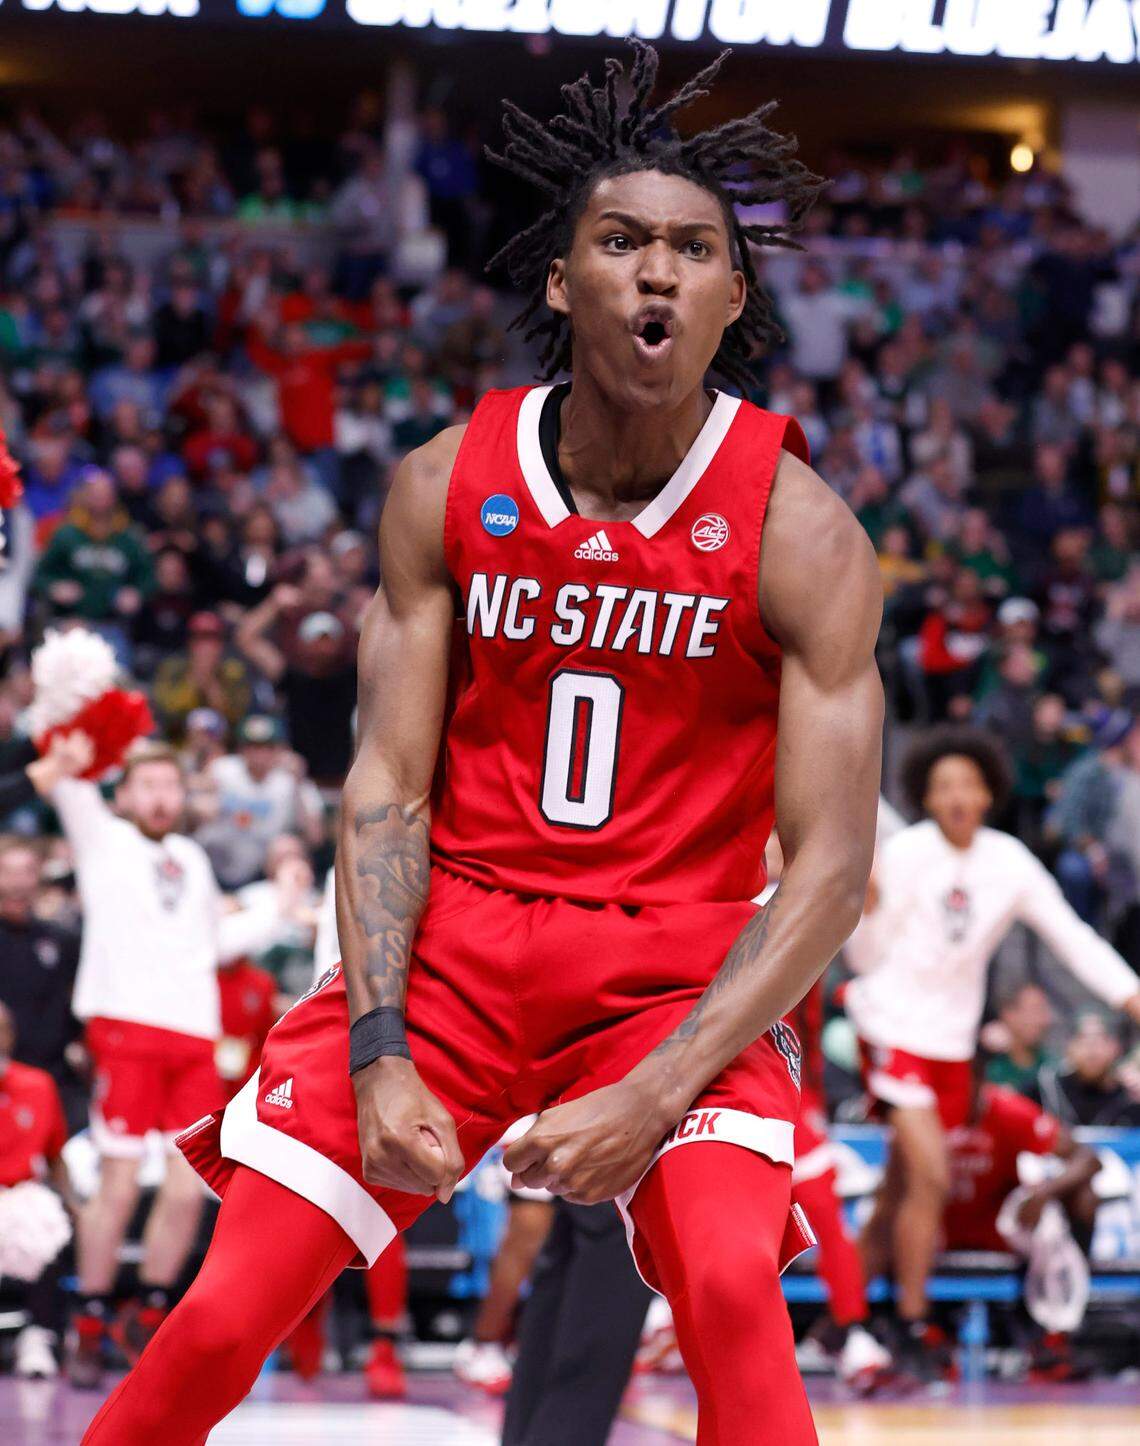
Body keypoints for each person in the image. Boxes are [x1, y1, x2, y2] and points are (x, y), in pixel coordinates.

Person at [84, 45, 884, 1446]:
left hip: (670, 971)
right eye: (620, 240)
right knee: (215, 1318)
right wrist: (383, 1047)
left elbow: (829, 867)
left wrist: (649, 1093)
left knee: (735, 1300)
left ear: (731, 297)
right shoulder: (448, 480)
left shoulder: (799, 527)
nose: (654, 272)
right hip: (451, 951)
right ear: (561, 278)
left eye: (693, 250)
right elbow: (386, 783)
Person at [846, 726, 1140, 1377]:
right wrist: (864, 916)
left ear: (988, 793)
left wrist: (1129, 996)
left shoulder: (1009, 862)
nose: (956, 795)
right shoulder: (904, 853)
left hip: (951, 1042)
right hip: (890, 1022)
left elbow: (1073, 936)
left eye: (967, 783)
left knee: (898, 1193)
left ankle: (847, 1323)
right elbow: (864, 957)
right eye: (942, 785)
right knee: (930, 1173)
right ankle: (914, 1326)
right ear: (926, 794)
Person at [49, 740, 293, 1388]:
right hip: (124, 1029)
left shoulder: (189, 856)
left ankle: (150, 1311)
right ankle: (90, 1319)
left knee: (191, 1187)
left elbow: (214, 942)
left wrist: (278, 904)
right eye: (147, 784)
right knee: (121, 1181)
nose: (160, 795)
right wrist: (74, 727)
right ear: (124, 794)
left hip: (193, 1036)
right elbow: (68, 775)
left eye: (169, 784)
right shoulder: (100, 837)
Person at [863, 1062, 1100, 1381]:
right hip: (934, 1231)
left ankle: (1055, 1335)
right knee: (890, 1216)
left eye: (958, 1084)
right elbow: (890, 1191)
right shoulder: (919, 1116)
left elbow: (1088, 1159)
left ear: (979, 1081)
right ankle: (907, 1332)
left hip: (1003, 1229)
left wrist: (1044, 1193)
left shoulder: (1008, 1110)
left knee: (1071, 1208)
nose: (952, 1093)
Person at [0, 1000, 74, 1379]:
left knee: (48, 1220)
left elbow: (55, 1154)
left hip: (20, 1193)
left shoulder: (37, 1084)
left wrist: (75, 1204)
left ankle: (39, 1336)